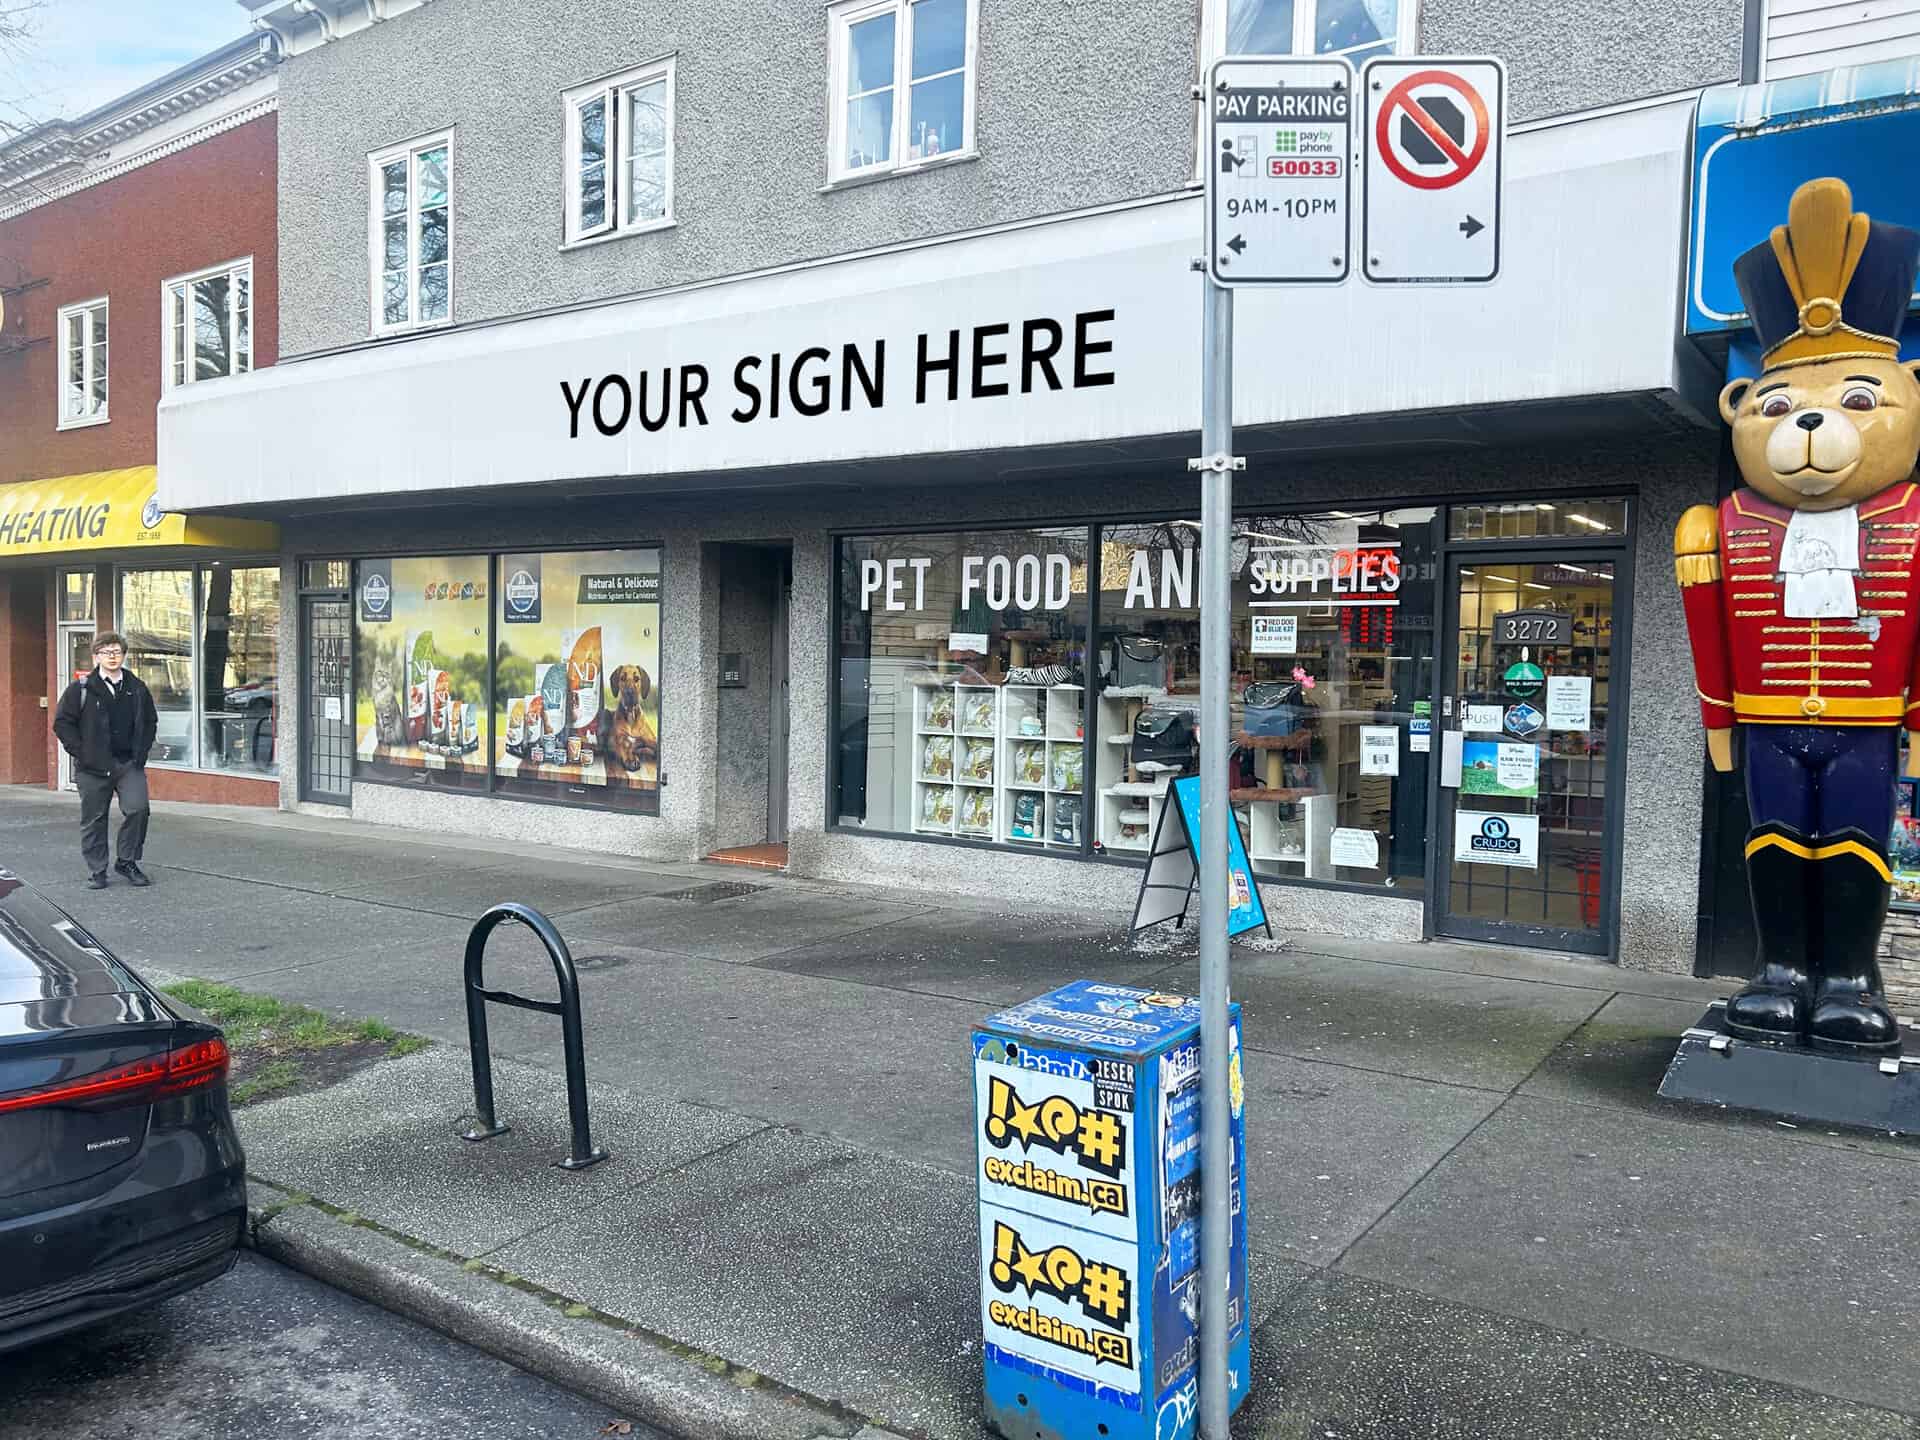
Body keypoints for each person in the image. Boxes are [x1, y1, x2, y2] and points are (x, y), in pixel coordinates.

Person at [52, 631, 157, 889]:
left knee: (138, 809)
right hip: (93, 767)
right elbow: (63, 723)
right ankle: (97, 870)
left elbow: (150, 721)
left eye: (117, 652)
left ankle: (127, 861)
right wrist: (82, 752)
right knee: (94, 818)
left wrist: (141, 752)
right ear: (96, 656)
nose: (112, 656)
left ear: (123, 655)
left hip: (128, 764)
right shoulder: (81, 689)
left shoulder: (136, 687)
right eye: (106, 652)